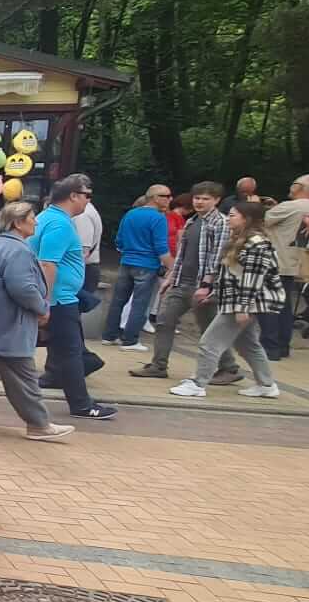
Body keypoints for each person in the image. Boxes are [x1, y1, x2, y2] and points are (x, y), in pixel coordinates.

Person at [0, 201, 73, 442]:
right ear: (18, 223)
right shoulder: (19, 251)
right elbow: (23, 288)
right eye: (32, 217)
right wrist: (42, 307)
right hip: (8, 327)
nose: (36, 222)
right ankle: (39, 424)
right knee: (24, 378)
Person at [168, 201, 283, 399]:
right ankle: (266, 385)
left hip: (242, 302)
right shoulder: (240, 240)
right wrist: (215, 294)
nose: (228, 218)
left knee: (210, 342)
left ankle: (198, 384)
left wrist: (243, 308)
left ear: (246, 219)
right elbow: (230, 275)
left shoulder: (257, 244)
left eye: (232, 215)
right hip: (236, 301)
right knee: (248, 345)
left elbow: (252, 279)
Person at [32, 175, 116, 420]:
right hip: (59, 300)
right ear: (73, 196)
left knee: (67, 351)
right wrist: (45, 302)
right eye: (87, 195)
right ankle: (81, 404)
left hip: (59, 297)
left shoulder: (47, 218)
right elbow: (47, 263)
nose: (89, 200)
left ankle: (79, 400)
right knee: (70, 352)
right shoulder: (59, 224)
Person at [133, 180, 232, 384]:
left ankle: (229, 367)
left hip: (202, 285)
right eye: (197, 198)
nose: (199, 202)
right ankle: (159, 365)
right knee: (164, 320)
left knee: (209, 328)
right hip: (181, 281)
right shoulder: (192, 221)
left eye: (205, 198)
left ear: (216, 200)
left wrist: (207, 284)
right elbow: (182, 254)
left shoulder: (220, 223)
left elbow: (218, 256)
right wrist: (170, 277)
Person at [260, 174, 309, 360]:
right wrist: (276, 206)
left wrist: (255, 205)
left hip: (275, 259)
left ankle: (269, 347)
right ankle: (283, 345)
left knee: (269, 305)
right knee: (284, 306)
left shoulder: (290, 206)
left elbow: (261, 220)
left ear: (298, 187)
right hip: (293, 260)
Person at [104, 187, 171, 350]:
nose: (170, 199)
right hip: (147, 264)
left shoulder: (130, 214)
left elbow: (119, 240)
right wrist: (172, 267)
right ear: (155, 197)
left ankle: (109, 335)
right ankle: (130, 340)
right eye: (166, 196)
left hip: (126, 261)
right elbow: (161, 247)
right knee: (140, 304)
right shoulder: (159, 218)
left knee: (118, 301)